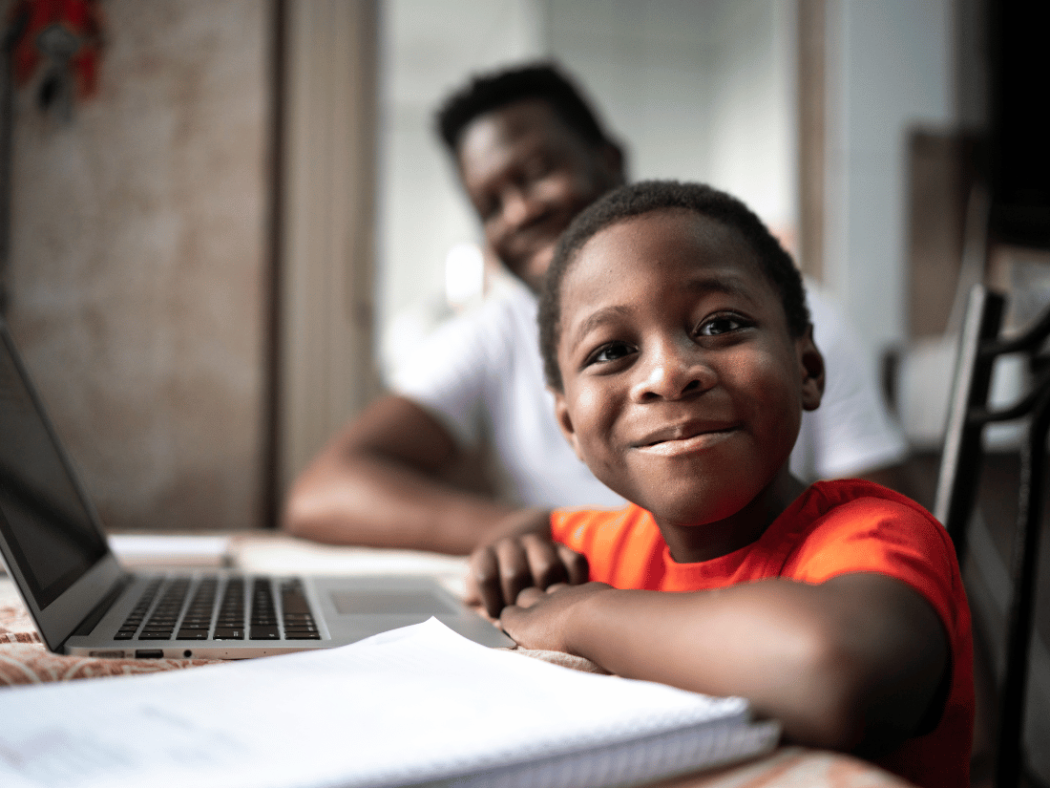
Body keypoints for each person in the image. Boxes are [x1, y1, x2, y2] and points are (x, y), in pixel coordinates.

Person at [282, 62, 911, 554]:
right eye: (491, 204)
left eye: (536, 172)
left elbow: (887, 524)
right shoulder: (494, 334)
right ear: (567, 419)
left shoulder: (782, 309)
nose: (521, 211)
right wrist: (553, 537)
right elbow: (324, 493)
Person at [468, 180, 972, 788]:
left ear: (808, 370)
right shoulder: (615, 542)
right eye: (612, 351)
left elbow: (832, 671)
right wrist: (511, 545)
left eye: (720, 324)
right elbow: (540, 525)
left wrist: (584, 616)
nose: (668, 374)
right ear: (570, 425)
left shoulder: (876, 533)